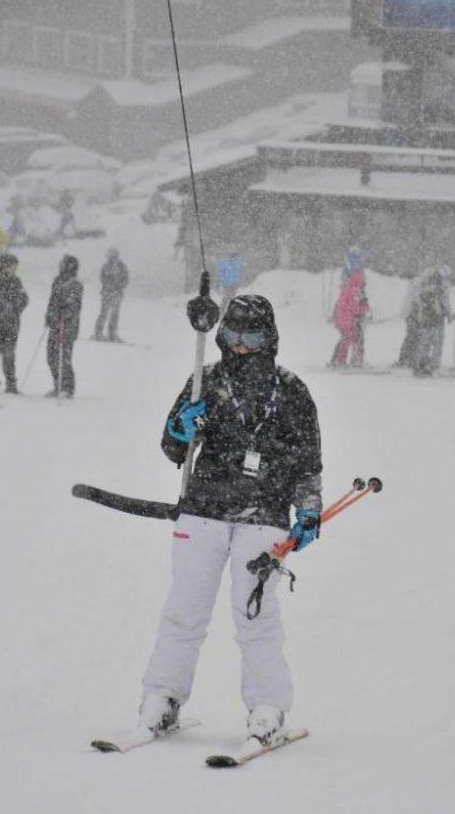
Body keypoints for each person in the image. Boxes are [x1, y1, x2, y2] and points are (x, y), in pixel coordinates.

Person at [138, 294, 322, 747]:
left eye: (252, 336)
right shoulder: (205, 381)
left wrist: (309, 508)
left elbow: (308, 461)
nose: (240, 347)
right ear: (221, 336)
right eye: (233, 336)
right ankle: (162, 696)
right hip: (203, 509)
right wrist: (182, 428)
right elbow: (172, 448)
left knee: (253, 612)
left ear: (270, 337)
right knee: (184, 610)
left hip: (265, 515)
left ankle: (267, 705)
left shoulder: (291, 390)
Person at [0, 253, 28, 393]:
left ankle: (11, 384)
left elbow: (24, 299)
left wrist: (15, 307)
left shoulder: (16, 281)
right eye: (12, 266)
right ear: (5, 266)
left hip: (11, 325)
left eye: (15, 266)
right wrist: (4, 306)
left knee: (9, 355)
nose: (14, 269)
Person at [45, 254, 83, 398]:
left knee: (64, 358)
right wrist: (49, 315)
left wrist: (63, 314)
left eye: (63, 264)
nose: (60, 266)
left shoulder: (75, 284)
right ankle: (58, 385)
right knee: (51, 356)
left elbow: (73, 306)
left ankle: (68, 388)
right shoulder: (57, 281)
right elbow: (52, 301)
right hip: (55, 324)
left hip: (67, 327)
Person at [329, 247, 370, 368]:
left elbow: (354, 303)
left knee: (348, 339)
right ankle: (353, 360)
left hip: (344, 317)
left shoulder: (350, 285)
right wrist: (363, 311)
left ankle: (339, 360)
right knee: (354, 339)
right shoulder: (355, 288)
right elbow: (355, 305)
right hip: (348, 318)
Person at [413, 267, 455, 376]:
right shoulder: (441, 288)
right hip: (437, 318)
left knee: (425, 343)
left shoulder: (425, 287)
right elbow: (444, 303)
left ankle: (420, 365)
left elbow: (419, 302)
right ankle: (434, 365)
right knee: (437, 343)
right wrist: (450, 316)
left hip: (426, 318)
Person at [93, 248, 129, 341]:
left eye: (113, 256)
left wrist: (119, 287)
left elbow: (125, 279)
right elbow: (103, 279)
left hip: (116, 293)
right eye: (111, 257)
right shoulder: (106, 266)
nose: (112, 258)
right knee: (104, 313)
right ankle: (98, 333)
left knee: (114, 314)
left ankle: (112, 333)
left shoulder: (122, 266)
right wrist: (111, 287)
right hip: (107, 293)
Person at [216, 248, 243, 317]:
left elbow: (238, 274)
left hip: (233, 285)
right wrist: (223, 281)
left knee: (231, 299)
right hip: (227, 285)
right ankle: (221, 313)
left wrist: (237, 283)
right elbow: (220, 273)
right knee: (226, 299)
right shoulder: (225, 262)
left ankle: (228, 313)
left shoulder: (236, 263)